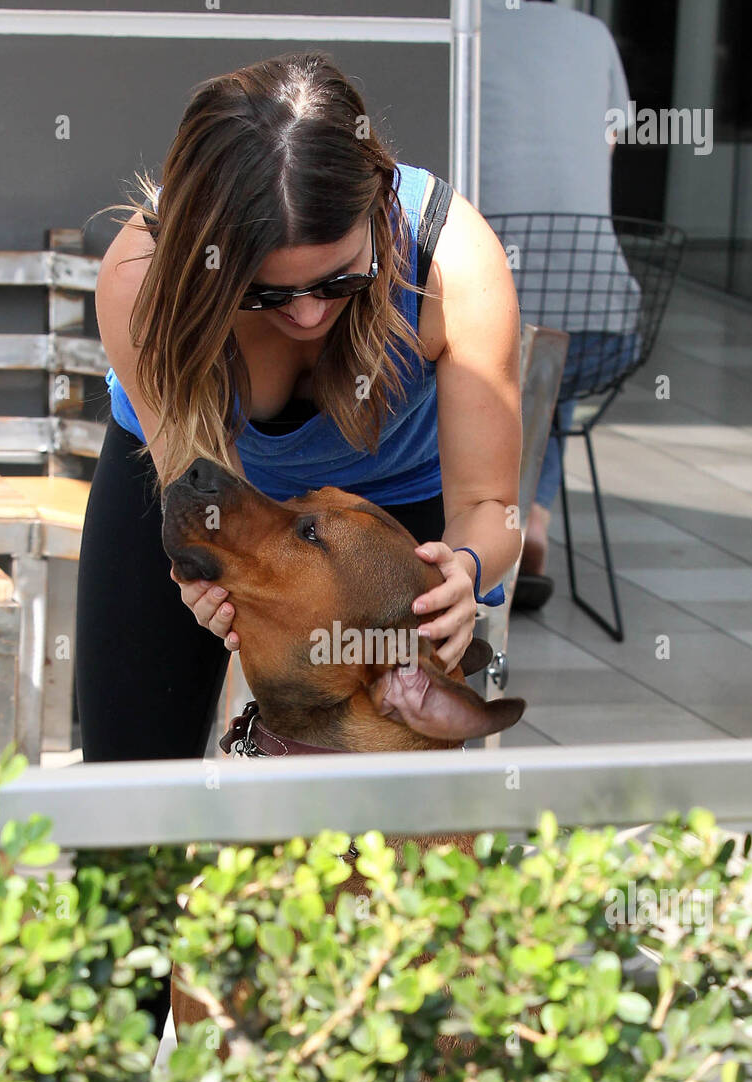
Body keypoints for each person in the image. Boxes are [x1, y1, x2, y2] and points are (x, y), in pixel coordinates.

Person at [75, 51, 522, 763]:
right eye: (264, 293)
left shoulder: (450, 262)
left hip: (385, 516)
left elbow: (492, 504)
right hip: (213, 490)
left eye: (340, 280)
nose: (310, 316)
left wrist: (464, 567)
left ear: (379, 207)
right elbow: (192, 487)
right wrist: (200, 582)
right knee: (129, 781)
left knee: (394, 817)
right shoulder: (143, 278)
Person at [480, 0, 640, 609]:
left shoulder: (459, 31)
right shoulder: (593, 34)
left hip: (494, 311)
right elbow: (605, 149)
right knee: (550, 365)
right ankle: (535, 518)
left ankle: (496, 522)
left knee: (516, 354)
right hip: (603, 318)